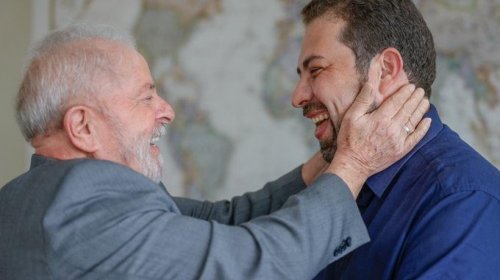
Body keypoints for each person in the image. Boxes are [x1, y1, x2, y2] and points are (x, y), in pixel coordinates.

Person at [0, 24, 429, 280]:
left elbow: (216, 221)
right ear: (83, 127)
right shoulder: (85, 212)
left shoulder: (33, 199)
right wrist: (353, 165)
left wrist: (323, 164)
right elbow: (255, 266)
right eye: (146, 96)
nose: (166, 111)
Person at [291, 1, 500, 279]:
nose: (298, 98)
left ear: (386, 71)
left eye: (316, 70)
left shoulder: (461, 200)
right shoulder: (339, 185)